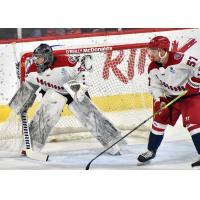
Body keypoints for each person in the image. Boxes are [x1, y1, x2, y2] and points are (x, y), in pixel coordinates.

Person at [9, 43, 126, 156]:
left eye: (40, 59)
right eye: (36, 58)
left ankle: (113, 140)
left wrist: (81, 87)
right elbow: (29, 86)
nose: (36, 61)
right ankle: (30, 145)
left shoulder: (66, 62)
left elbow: (82, 72)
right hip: (52, 91)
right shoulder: (33, 70)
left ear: (48, 58)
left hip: (71, 88)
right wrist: (20, 102)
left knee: (88, 113)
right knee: (46, 113)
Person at [137, 36, 200, 167]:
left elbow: (199, 65)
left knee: (193, 125)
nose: (150, 54)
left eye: (153, 50)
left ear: (163, 50)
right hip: (170, 97)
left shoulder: (179, 58)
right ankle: (151, 151)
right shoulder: (152, 67)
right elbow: (154, 86)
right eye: (150, 50)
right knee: (158, 121)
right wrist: (159, 99)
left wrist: (193, 83)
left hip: (190, 96)